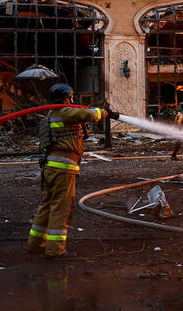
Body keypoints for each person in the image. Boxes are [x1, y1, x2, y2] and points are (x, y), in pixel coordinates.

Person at [28, 83, 118, 258]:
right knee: (61, 208)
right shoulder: (65, 112)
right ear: (65, 98)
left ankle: (35, 244)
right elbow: (88, 114)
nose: (72, 100)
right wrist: (106, 112)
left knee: (46, 205)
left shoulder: (51, 115)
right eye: (71, 97)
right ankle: (55, 250)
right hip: (63, 168)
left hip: (50, 168)